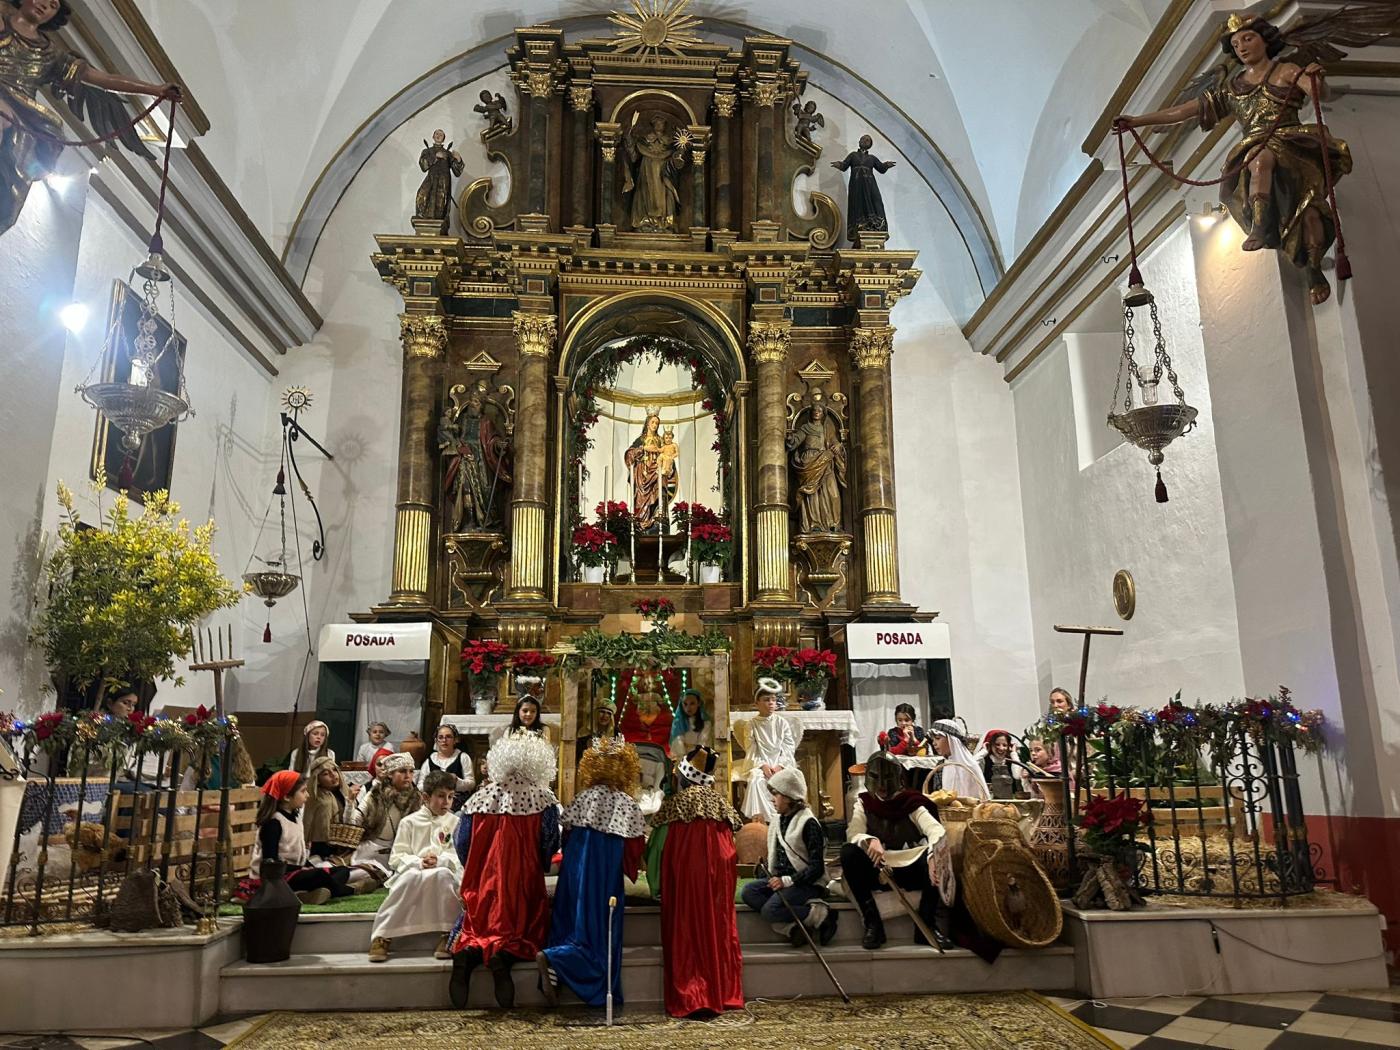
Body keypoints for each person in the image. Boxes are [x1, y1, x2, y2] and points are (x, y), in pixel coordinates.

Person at [448, 734, 560, 1010]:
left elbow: (460, 840)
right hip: (522, 880)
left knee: (480, 928)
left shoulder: (480, 796)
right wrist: (542, 863)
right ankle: (504, 959)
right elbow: (550, 841)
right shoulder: (542, 798)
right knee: (524, 930)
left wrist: (473, 867)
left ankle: (470, 956)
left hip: (483, 879)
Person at [537, 737, 646, 1008]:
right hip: (604, 870)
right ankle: (559, 959)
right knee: (599, 927)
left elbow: (567, 836)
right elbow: (635, 849)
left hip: (575, 867)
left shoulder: (581, 798)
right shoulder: (626, 803)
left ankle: (555, 966)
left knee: (571, 917)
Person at [645, 746, 744, 1018]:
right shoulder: (721, 805)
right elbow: (730, 851)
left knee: (688, 933)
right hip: (716, 884)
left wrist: (657, 888)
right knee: (717, 930)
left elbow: (656, 851)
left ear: (682, 778)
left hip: (686, 883)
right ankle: (721, 992)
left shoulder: (674, 807)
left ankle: (693, 994)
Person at [840, 750, 950, 950]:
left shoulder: (911, 802)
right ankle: (873, 924)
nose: (882, 786)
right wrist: (869, 840)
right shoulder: (864, 802)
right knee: (849, 853)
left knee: (936, 856)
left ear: (898, 778)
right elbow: (853, 832)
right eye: (876, 778)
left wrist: (933, 855)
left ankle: (926, 925)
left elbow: (936, 830)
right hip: (878, 868)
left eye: (887, 778)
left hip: (909, 868)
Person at [369, 770, 463, 963]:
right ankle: (383, 935)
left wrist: (441, 860)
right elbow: (397, 857)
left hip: (444, 870)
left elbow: (459, 856)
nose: (446, 802)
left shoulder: (455, 822)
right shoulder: (409, 822)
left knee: (443, 876)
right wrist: (419, 862)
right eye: (440, 796)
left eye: (450, 797)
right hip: (414, 869)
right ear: (425, 797)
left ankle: (448, 933)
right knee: (411, 877)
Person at [740, 767, 838, 947]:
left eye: (776, 794)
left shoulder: (809, 823)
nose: (772, 799)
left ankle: (822, 915)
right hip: (782, 880)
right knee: (749, 892)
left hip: (805, 883)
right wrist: (768, 874)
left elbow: (816, 868)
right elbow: (776, 857)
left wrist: (786, 881)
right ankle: (793, 927)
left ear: (789, 796)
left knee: (770, 910)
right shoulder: (778, 820)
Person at [249, 771, 353, 904]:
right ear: (287, 796)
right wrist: (302, 870)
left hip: (296, 872)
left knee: (342, 870)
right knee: (318, 875)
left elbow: (300, 855)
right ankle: (349, 890)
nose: (307, 795)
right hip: (278, 877)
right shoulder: (273, 823)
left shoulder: (296, 818)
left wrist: (307, 867)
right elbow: (270, 864)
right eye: (303, 791)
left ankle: (309, 894)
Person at [737, 678, 801, 824]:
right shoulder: (751, 725)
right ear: (757, 703)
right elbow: (752, 749)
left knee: (781, 779)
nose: (771, 703)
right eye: (766, 700)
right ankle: (761, 820)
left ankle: (779, 818)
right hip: (760, 764)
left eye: (773, 700)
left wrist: (781, 765)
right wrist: (762, 765)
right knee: (756, 779)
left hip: (780, 764)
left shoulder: (781, 723)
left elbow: (788, 747)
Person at [351, 752, 421, 879]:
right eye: (402, 771)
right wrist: (349, 805)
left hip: (401, 852)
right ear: (390, 774)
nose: (408, 776)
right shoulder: (375, 795)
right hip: (371, 850)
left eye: (411, 771)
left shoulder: (416, 798)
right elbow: (355, 820)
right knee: (363, 873)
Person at [830, 134, 896, 244]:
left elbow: (880, 168)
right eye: (863, 139)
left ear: (870, 144)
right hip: (856, 184)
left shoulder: (872, 158)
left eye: (867, 140)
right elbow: (845, 166)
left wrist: (886, 165)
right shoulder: (853, 155)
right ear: (859, 141)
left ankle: (875, 223)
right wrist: (839, 165)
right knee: (858, 203)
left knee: (875, 201)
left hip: (869, 184)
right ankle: (860, 224)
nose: (864, 141)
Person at [925, 719, 989, 800]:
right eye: (933, 739)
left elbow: (980, 797)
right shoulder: (940, 766)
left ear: (952, 740)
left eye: (938, 738)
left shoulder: (969, 766)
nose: (934, 743)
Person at [304, 756, 352, 860]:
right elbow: (307, 821)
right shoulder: (316, 797)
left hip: (342, 842)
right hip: (321, 846)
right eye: (326, 774)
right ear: (317, 779)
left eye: (334, 770)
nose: (333, 775)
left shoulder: (343, 792)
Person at [417, 723, 475, 804]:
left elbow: (471, 784)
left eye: (448, 737)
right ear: (436, 741)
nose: (444, 740)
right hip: (435, 801)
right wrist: (432, 785)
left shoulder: (463, 757)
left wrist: (457, 781)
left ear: (455, 740)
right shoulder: (429, 761)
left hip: (457, 800)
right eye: (440, 737)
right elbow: (420, 785)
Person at [977, 730, 1028, 799]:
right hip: (989, 801)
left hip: (1010, 802)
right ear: (989, 745)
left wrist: (1014, 753)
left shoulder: (1011, 760)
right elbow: (970, 766)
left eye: (1005, 745)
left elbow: (1017, 776)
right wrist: (983, 752)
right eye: (997, 744)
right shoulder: (984, 760)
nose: (1001, 748)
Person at [667, 687, 712, 759]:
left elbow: (703, 741)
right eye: (685, 704)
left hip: (698, 757)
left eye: (692, 703)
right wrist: (683, 757)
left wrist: (695, 756)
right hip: (681, 757)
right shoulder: (678, 722)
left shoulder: (706, 722)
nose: (688, 708)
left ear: (699, 703)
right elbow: (678, 740)